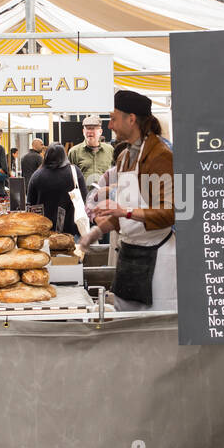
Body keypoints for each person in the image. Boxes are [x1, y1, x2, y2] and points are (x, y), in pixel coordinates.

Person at [90, 90, 176, 311]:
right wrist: (108, 220)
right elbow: (127, 214)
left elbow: (171, 213)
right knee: (126, 321)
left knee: (152, 327)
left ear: (131, 119)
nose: (110, 125)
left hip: (158, 258)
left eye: (113, 118)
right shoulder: (124, 157)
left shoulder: (161, 156)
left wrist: (124, 212)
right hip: (128, 255)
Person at [28, 144, 88, 236]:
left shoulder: (37, 175)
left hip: (44, 229)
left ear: (46, 156)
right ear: (64, 156)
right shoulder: (74, 172)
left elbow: (30, 204)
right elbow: (84, 197)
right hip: (70, 228)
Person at [68, 116, 114, 189]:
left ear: (100, 132)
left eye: (93, 129)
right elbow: (70, 177)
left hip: (104, 197)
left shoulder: (110, 150)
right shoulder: (74, 152)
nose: (89, 132)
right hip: (83, 198)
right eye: (87, 129)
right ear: (83, 131)